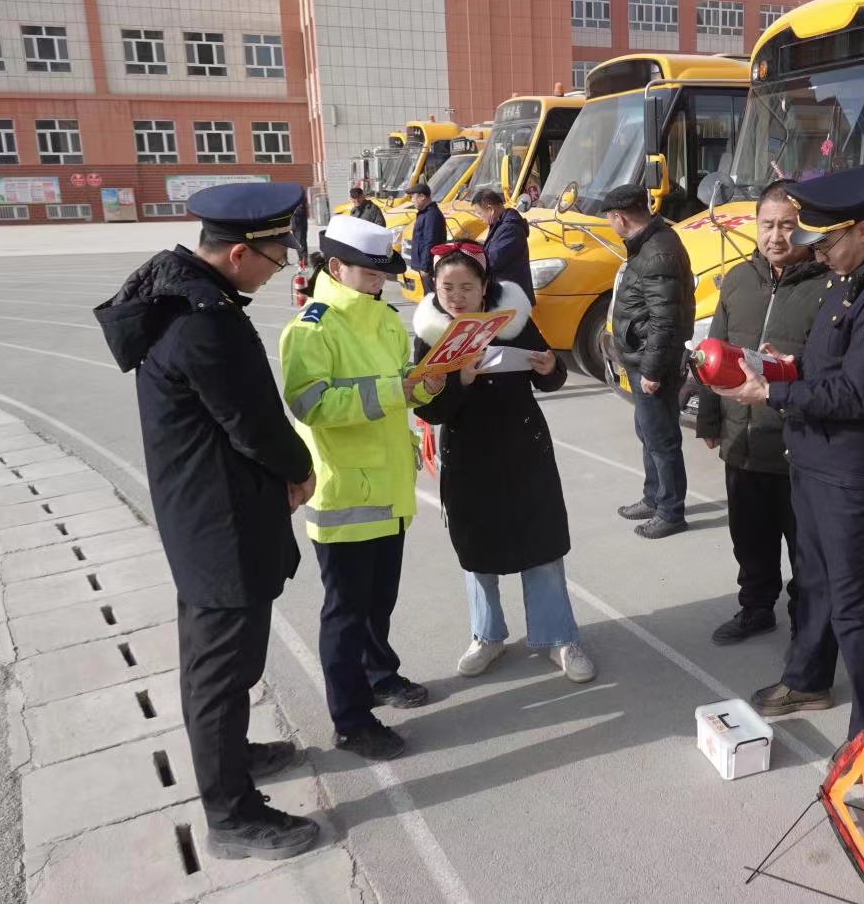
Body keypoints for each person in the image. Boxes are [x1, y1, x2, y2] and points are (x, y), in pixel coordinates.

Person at [94, 183, 320, 861]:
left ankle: (233, 756)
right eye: (276, 256)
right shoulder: (203, 321)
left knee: (225, 658)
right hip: (219, 523)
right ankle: (232, 815)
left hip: (211, 511)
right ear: (240, 253)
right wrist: (300, 468)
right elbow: (253, 423)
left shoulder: (192, 297)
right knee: (219, 670)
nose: (279, 268)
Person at [713, 164, 864, 764]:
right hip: (813, 454)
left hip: (853, 469)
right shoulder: (845, 274)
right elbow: (824, 363)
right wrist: (777, 366)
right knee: (812, 582)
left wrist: (772, 393)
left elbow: (861, 393)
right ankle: (808, 681)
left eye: (826, 240)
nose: (817, 251)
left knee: (855, 603)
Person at [279, 215, 444, 761]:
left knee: (379, 602)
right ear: (335, 267)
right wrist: (398, 390)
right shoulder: (312, 328)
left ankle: (379, 675)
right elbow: (311, 404)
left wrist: (425, 386)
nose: (380, 283)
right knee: (346, 613)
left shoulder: (385, 320)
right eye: (371, 274)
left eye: (384, 275)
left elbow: (403, 390)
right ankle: (350, 721)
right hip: (347, 494)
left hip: (390, 488)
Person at [412, 240, 596, 684]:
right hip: (468, 457)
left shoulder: (514, 322)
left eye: (466, 287)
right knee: (476, 551)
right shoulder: (430, 336)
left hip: (524, 449)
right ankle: (486, 635)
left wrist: (550, 368)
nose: (457, 297)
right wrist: (460, 382)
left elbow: (549, 379)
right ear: (435, 288)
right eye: (447, 288)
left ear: (484, 287)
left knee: (542, 545)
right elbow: (428, 410)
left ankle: (558, 637)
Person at [695, 181, 830, 645]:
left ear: (806, 229)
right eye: (767, 225)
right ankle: (755, 609)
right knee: (749, 540)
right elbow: (712, 354)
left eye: (788, 226)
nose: (776, 237)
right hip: (743, 442)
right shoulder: (736, 280)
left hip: (797, 446)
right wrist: (710, 418)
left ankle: (804, 626)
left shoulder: (826, 286)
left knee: (805, 549)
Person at [605, 183, 695, 540]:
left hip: (652, 362)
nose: (610, 224)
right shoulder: (647, 245)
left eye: (610, 218)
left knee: (661, 438)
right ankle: (654, 496)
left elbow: (665, 320)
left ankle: (671, 511)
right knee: (648, 431)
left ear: (620, 217)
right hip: (641, 357)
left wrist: (653, 371)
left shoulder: (658, 253)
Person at [474, 188, 534, 304]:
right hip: (506, 294)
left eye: (480, 213)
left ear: (490, 209)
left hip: (512, 298)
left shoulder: (510, 228)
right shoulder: (500, 225)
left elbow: (492, 259)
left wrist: (471, 262)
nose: (480, 218)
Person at [408, 180, 447, 291]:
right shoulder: (424, 213)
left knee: (431, 295)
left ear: (422, 197)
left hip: (428, 267)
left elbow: (430, 241)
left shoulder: (431, 215)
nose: (411, 200)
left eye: (413, 197)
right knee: (427, 294)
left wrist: (425, 267)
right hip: (423, 264)